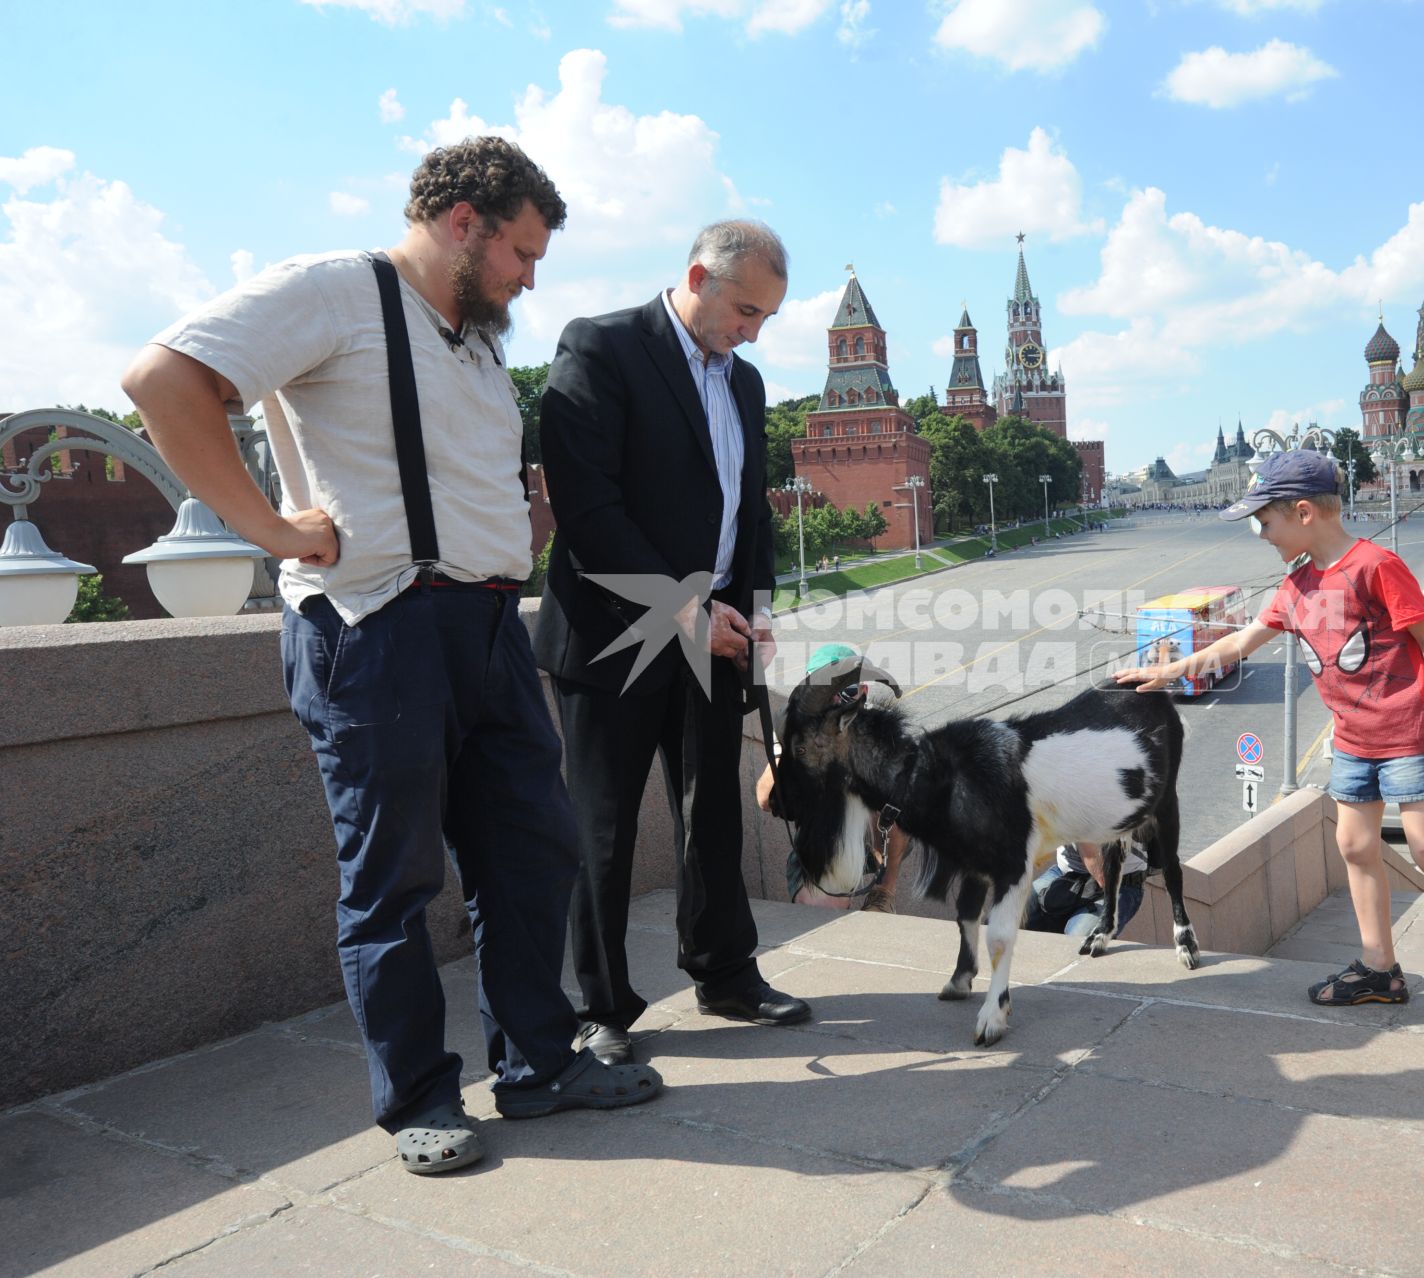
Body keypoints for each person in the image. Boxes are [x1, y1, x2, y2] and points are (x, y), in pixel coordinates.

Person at [120, 138, 661, 1176]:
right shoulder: (334, 291)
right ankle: (419, 1096)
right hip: (377, 630)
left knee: (530, 850)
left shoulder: (472, 335)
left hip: (489, 629)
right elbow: (161, 378)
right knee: (393, 878)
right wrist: (273, 532)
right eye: (520, 252)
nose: (528, 277)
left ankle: (538, 1065)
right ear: (464, 221)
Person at [1117, 451, 1424, 1033]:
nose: (1262, 535)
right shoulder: (1296, 585)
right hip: (1353, 741)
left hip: (1409, 733)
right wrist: (1167, 672)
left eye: (1266, 522)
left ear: (1304, 512)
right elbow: (1239, 644)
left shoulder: (1374, 566)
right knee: (1357, 847)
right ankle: (1379, 969)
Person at [535, 220, 810, 1068]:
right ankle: (604, 1008)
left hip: (714, 635)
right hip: (614, 636)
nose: (754, 332)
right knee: (604, 829)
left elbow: (748, 513)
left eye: (766, 317)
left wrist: (754, 610)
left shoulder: (746, 382)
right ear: (698, 275)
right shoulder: (601, 347)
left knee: (713, 816)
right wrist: (684, 607)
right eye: (745, 310)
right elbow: (588, 510)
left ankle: (725, 972)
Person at [754, 643, 911, 912]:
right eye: (825, 694)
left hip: (869, 836)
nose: (835, 700)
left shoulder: (878, 726)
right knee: (819, 911)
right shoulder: (797, 728)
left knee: (897, 801)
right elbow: (764, 799)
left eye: (846, 692)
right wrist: (790, 751)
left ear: (863, 692)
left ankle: (884, 892)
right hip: (824, 840)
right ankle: (833, 889)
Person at [1025, 842, 1147, 939]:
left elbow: (1101, 872)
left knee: (1081, 940)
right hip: (1066, 874)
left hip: (1119, 883)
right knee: (1012, 914)